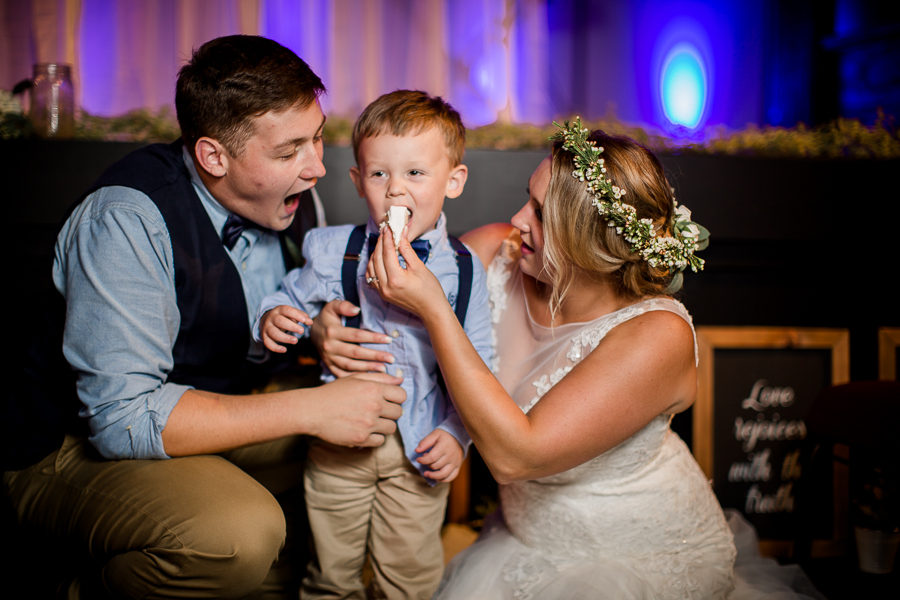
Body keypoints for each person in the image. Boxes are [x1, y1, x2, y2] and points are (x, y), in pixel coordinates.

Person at [2, 35, 405, 599]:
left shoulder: (292, 195)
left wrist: (316, 326)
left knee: (383, 431)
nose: (317, 167)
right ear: (214, 155)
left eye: (318, 138)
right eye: (289, 151)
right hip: (64, 445)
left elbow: (274, 308)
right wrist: (314, 407)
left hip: (212, 400)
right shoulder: (126, 218)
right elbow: (122, 419)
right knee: (237, 533)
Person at [320, 117, 727, 598]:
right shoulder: (495, 252)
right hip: (520, 540)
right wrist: (324, 328)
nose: (517, 219)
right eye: (526, 198)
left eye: (539, 212)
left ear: (589, 240)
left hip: (639, 561)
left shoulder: (657, 334)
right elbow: (381, 307)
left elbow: (516, 457)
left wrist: (435, 308)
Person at [253, 90, 494, 599]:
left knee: (407, 580)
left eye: (415, 174)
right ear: (359, 181)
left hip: (419, 453)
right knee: (329, 575)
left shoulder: (465, 270)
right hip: (337, 449)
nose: (395, 190)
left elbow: (481, 366)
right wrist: (276, 318)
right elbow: (288, 298)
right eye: (380, 174)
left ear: (453, 181)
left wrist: (457, 435)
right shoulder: (330, 249)